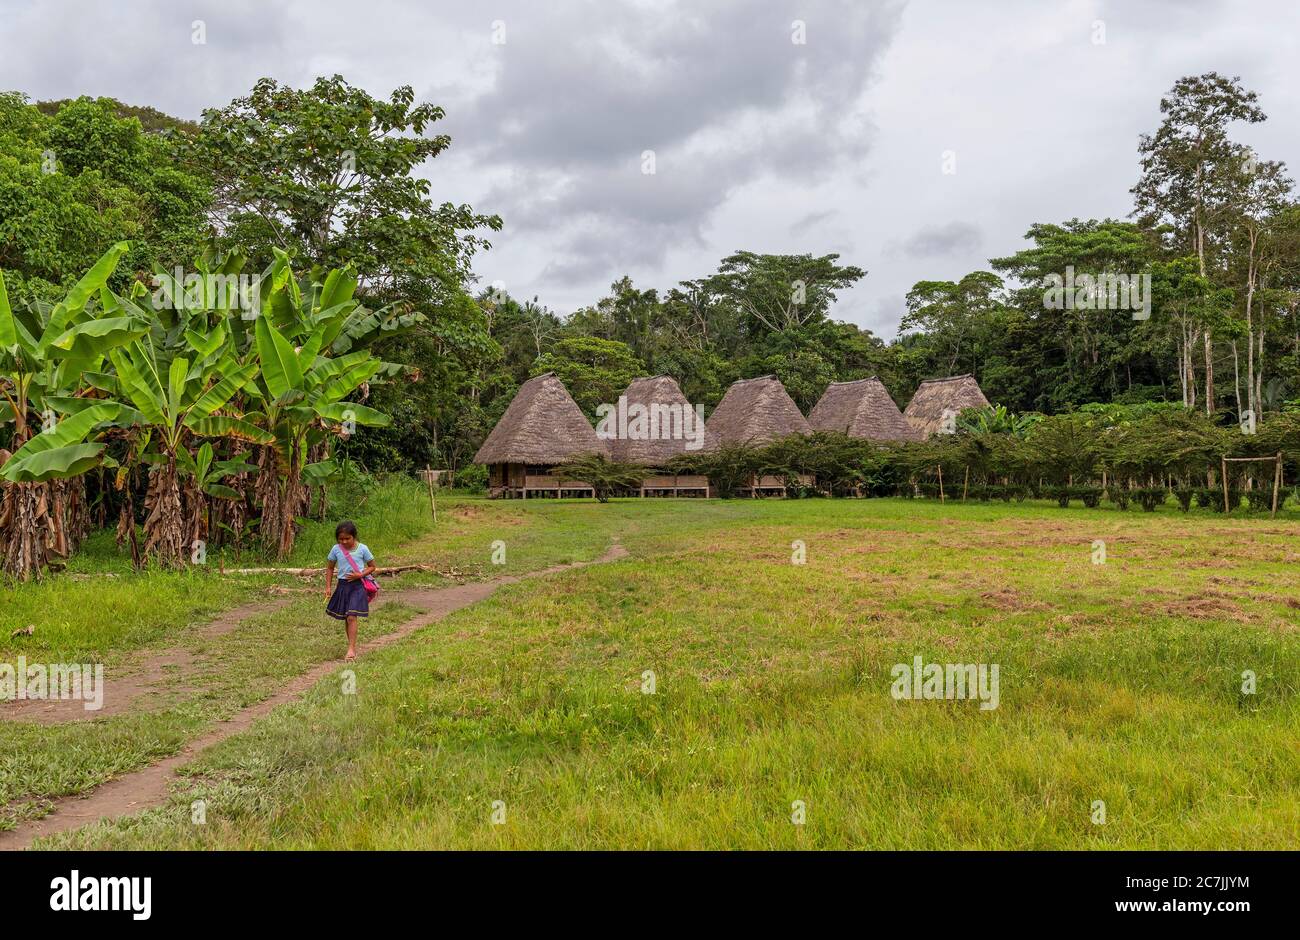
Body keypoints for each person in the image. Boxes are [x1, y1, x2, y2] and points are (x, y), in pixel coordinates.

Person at [324, 520, 376, 661]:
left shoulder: (363, 549)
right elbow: (329, 568)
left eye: (348, 538)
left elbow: (372, 566)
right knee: (347, 617)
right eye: (341, 539)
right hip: (343, 586)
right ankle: (351, 645)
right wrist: (328, 587)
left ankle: (351, 649)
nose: (344, 541)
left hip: (358, 586)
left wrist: (360, 574)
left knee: (352, 616)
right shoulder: (336, 549)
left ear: (354, 537)